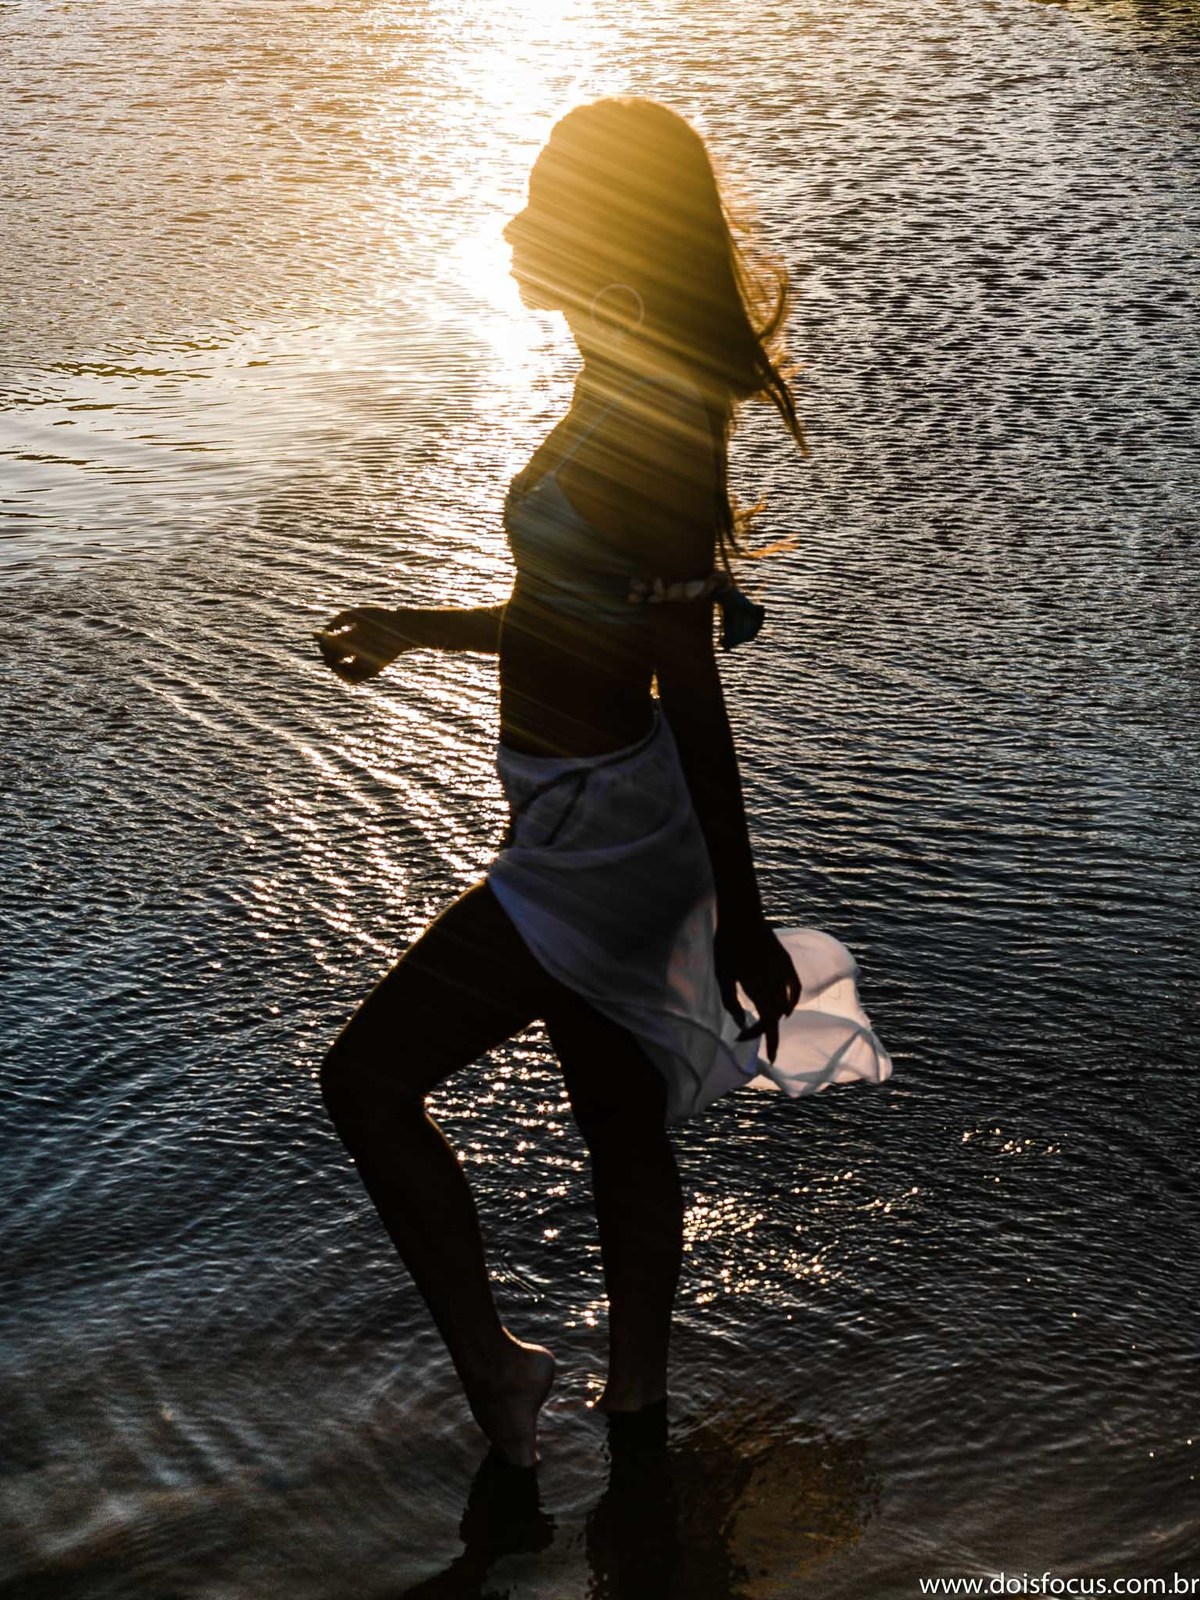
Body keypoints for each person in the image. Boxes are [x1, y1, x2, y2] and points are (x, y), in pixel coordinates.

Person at [314, 97, 890, 1470]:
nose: (515, 228)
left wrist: (742, 914)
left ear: (606, 229)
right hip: (582, 812)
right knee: (618, 1126)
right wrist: (415, 625)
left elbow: (686, 686)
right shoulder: (616, 382)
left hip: (604, 834)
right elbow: (573, 616)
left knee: (367, 1082)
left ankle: (504, 1375)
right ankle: (637, 1418)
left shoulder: (658, 416)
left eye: (542, 204)